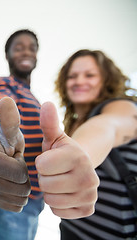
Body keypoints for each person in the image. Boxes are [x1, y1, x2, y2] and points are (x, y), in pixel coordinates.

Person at [0, 29, 100, 240]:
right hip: (9, 197)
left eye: (32, 48)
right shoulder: (5, 84)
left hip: (32, 199)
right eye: (19, 48)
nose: (26, 52)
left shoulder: (33, 97)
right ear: (7, 56)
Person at [55, 49, 137, 239]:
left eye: (90, 75)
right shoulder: (72, 123)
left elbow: (108, 127)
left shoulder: (122, 107)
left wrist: (76, 157)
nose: (79, 81)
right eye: (72, 76)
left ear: (106, 80)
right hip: (71, 231)